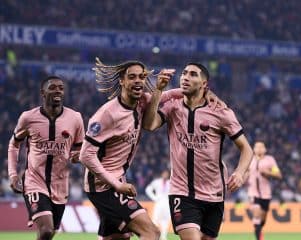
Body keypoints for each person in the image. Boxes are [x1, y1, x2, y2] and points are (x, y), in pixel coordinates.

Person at [80, 58, 223, 240]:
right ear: (122, 81)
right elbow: (86, 155)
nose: (138, 81)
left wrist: (206, 92)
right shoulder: (106, 114)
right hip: (103, 187)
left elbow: (170, 95)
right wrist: (116, 184)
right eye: (132, 77)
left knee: (117, 237)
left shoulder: (142, 102)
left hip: (116, 182)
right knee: (151, 232)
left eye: (142, 76)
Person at [143, 62, 253, 240]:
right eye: (184, 73)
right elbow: (149, 125)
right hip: (182, 192)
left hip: (214, 194)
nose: (185, 77)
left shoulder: (220, 112)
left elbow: (246, 149)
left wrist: (240, 173)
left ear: (204, 85)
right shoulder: (173, 107)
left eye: (193, 74)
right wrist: (158, 90)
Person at [8, 76, 85, 240]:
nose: (58, 90)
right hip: (34, 180)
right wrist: (13, 174)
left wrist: (77, 157)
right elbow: (14, 145)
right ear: (43, 92)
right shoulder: (28, 118)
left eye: (61, 87)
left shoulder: (75, 118)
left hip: (61, 185)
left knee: (48, 234)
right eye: (53, 87)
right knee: (46, 230)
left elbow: (78, 150)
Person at [247, 141, 282, 240]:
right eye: (257, 147)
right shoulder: (249, 160)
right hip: (253, 193)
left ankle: (259, 230)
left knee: (263, 220)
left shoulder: (270, 160)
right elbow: (244, 172)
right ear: (253, 149)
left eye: (261, 147)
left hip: (266, 194)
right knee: (256, 213)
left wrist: (268, 173)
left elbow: (279, 175)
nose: (259, 149)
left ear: (265, 149)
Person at [145, 170, 171, 240]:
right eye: (164, 173)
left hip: (167, 203)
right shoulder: (157, 182)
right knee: (155, 219)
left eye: (166, 174)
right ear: (162, 174)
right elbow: (148, 189)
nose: (165, 175)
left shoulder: (170, 183)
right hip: (159, 202)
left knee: (166, 220)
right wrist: (154, 197)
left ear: (168, 175)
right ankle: (153, 235)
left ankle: (163, 237)